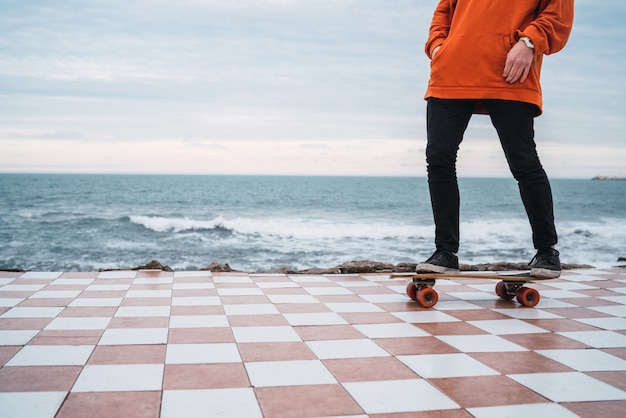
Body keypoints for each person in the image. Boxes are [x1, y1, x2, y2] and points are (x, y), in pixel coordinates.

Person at [416, 0, 575, 278]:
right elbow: (444, 10)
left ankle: (547, 251)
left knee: (523, 162)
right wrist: (438, 46)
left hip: (510, 71)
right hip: (451, 70)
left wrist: (529, 42)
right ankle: (445, 253)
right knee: (438, 159)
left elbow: (558, 13)